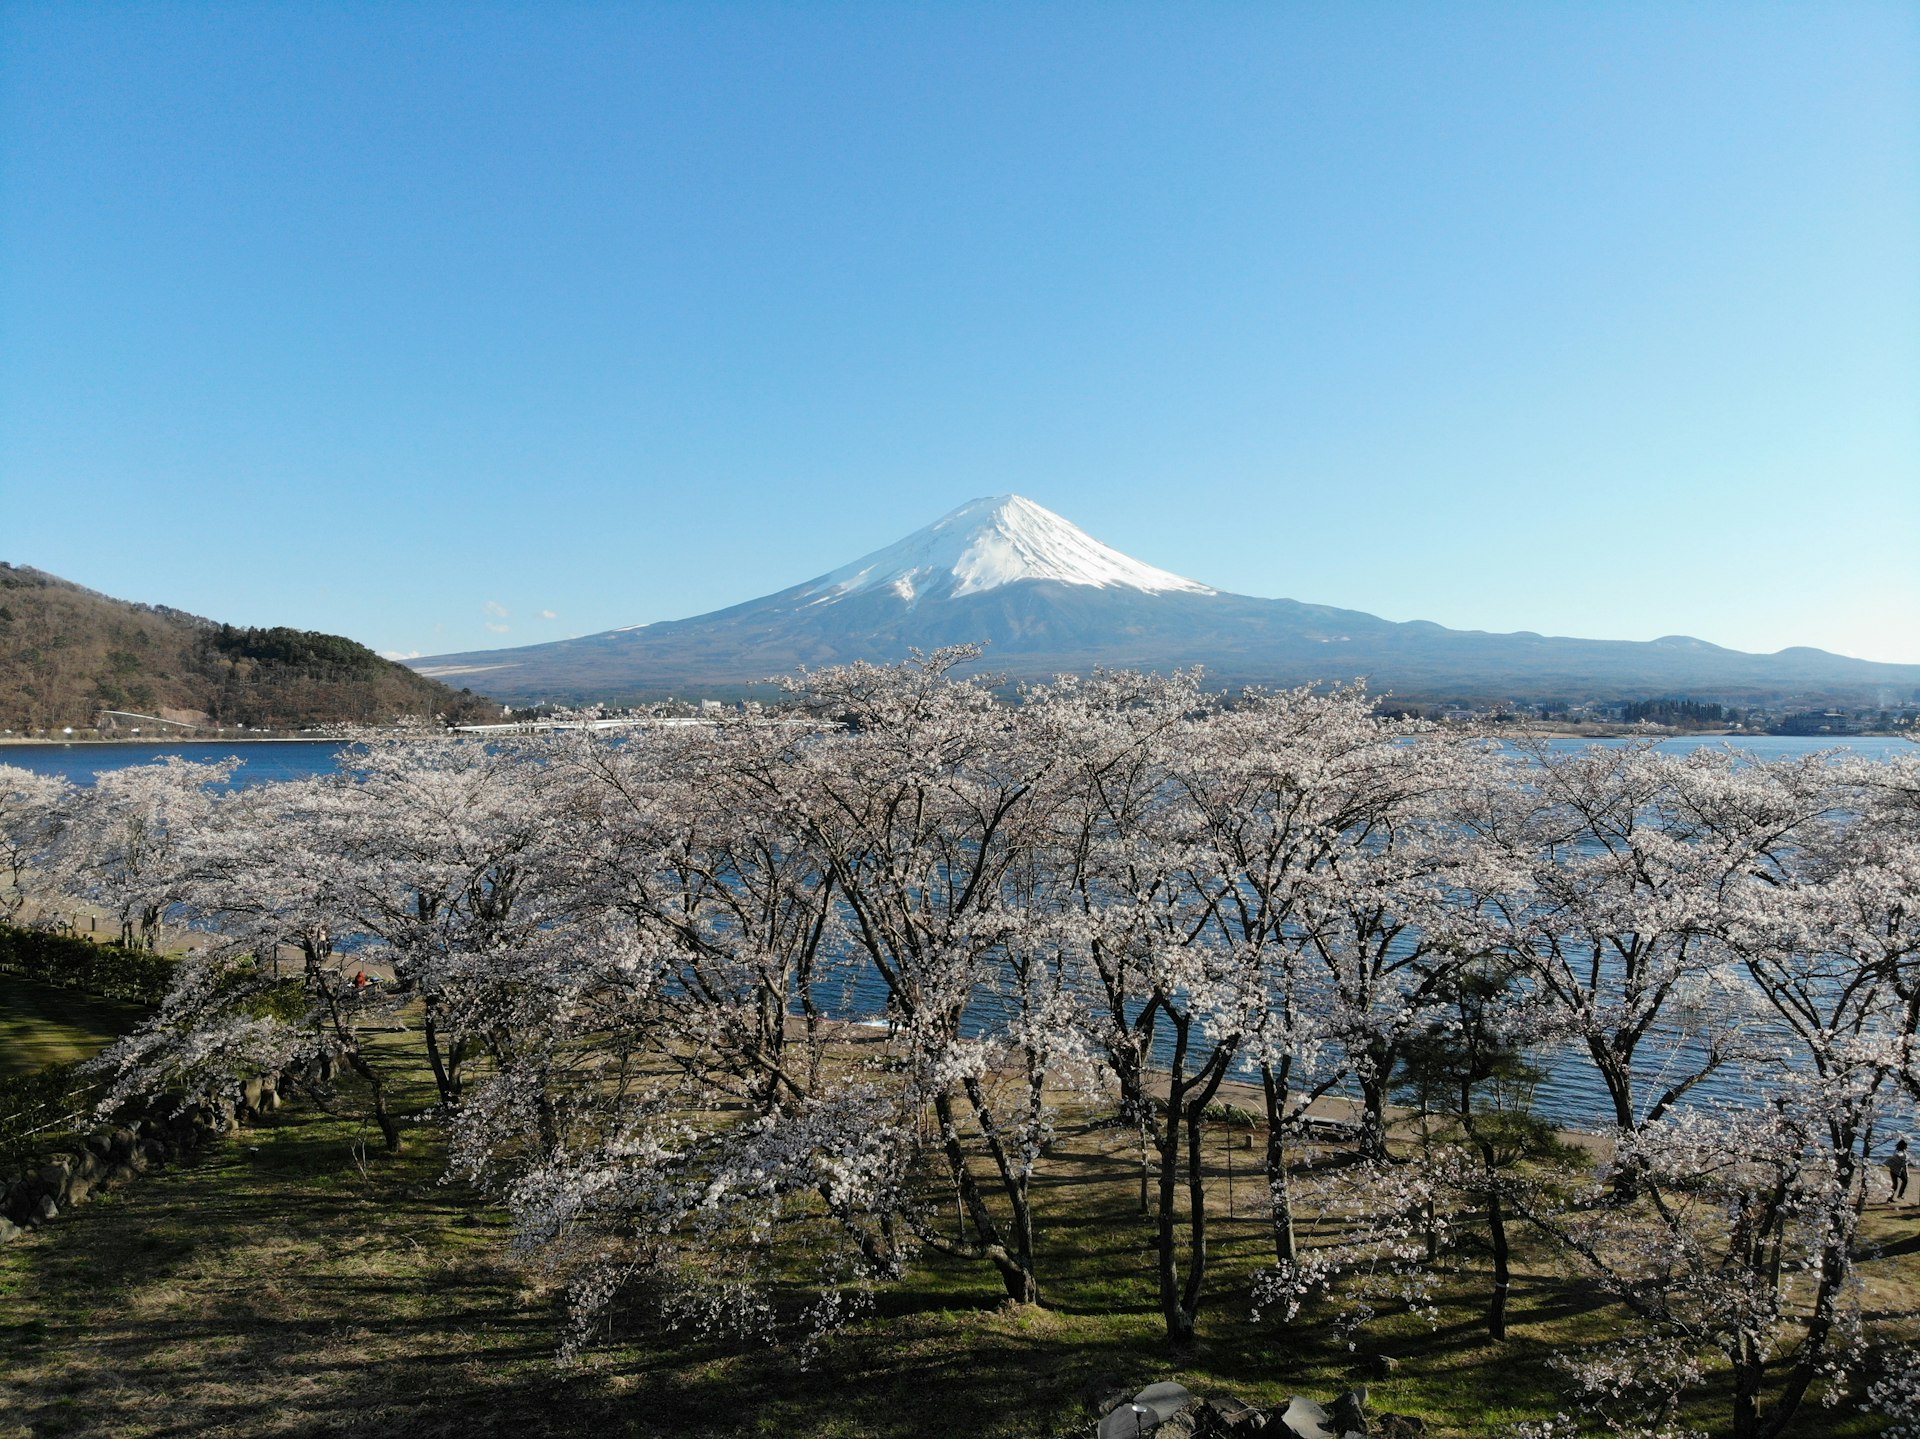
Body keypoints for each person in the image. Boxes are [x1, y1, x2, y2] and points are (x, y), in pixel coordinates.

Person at [1890, 1138, 1910, 1203]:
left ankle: (1892, 1197)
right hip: (1897, 1170)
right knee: (1904, 1181)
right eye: (1906, 1145)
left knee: (1896, 1184)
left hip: (1893, 1170)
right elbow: (1904, 1164)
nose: (1907, 1147)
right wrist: (1906, 1172)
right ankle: (1899, 1195)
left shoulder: (1897, 1151)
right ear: (1903, 1146)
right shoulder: (1901, 1153)